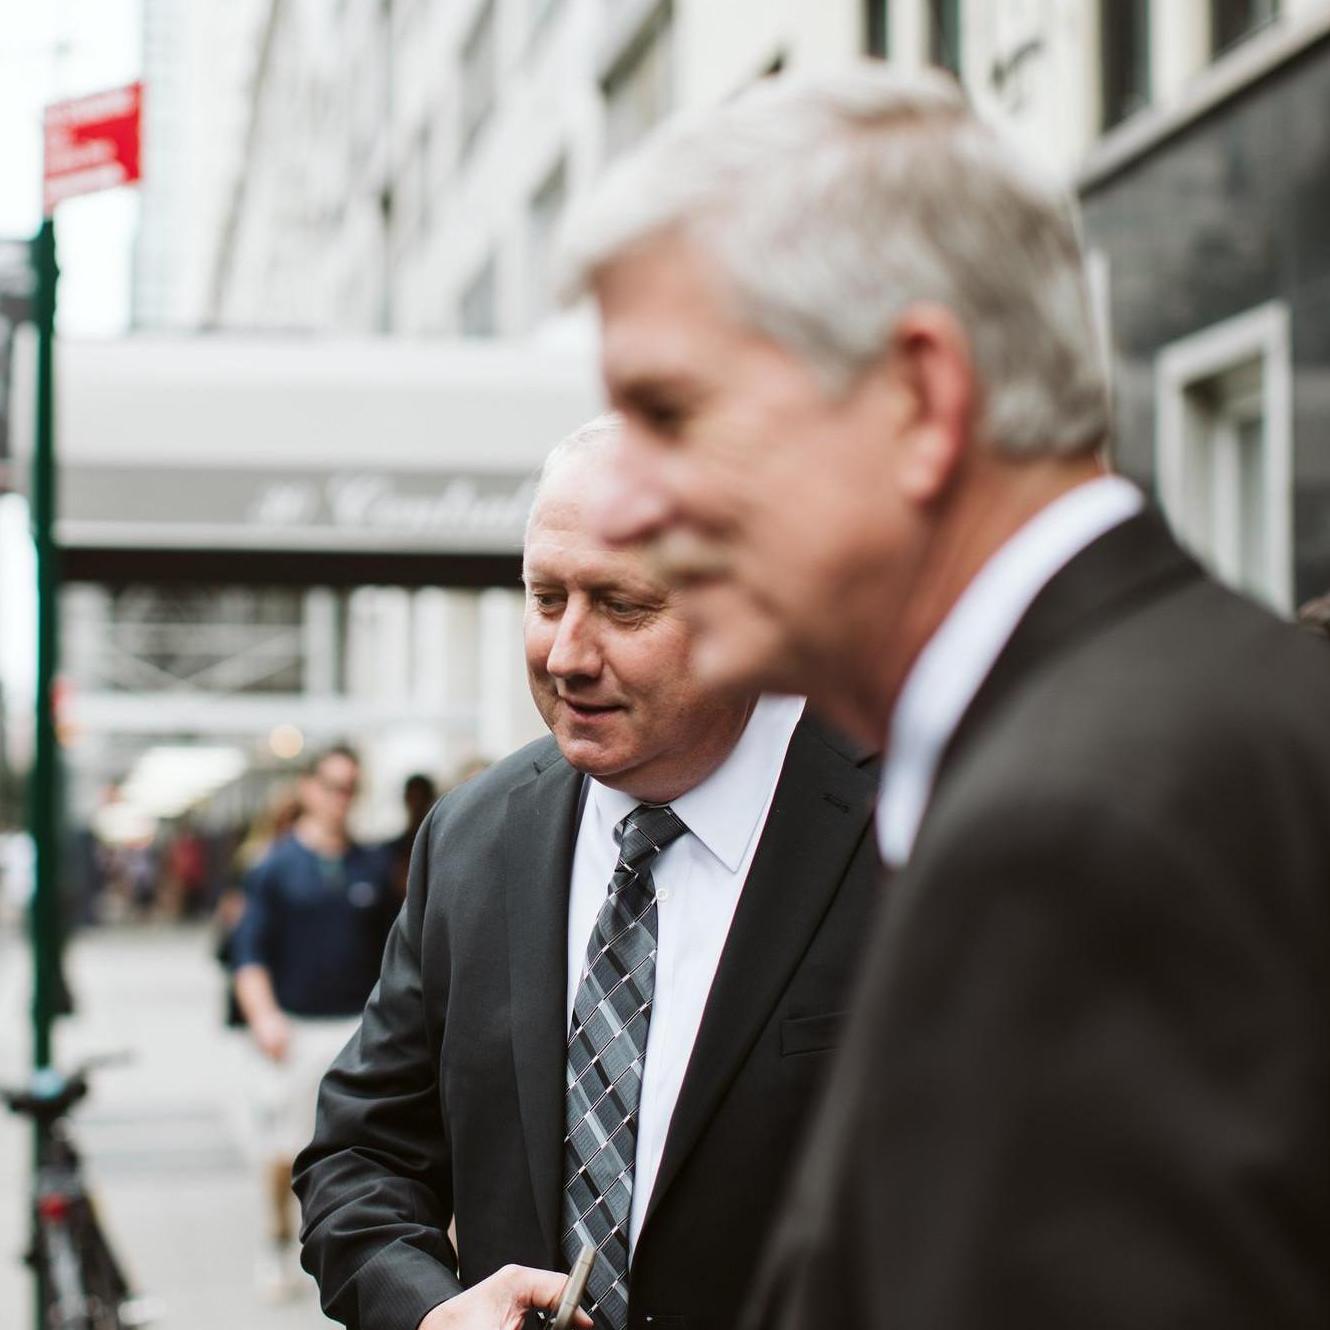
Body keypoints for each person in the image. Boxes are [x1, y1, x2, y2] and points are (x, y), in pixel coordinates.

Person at [559, 64, 1330, 1330]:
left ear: (920, 394)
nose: (631, 504)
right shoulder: (1214, 716)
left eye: (670, 413)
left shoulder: (1072, 834)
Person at [293, 417, 881, 1330]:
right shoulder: (474, 838)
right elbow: (359, 1157)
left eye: (621, 605)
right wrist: (425, 1311)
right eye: (544, 598)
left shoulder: (915, 830)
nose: (566, 653)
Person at [232, 746, 397, 1298]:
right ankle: (276, 1242)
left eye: (350, 787)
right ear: (307, 787)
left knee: (361, 1149)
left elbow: (398, 955)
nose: (339, 798)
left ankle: (349, 1244)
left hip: (359, 1027)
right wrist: (265, 1018)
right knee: (286, 1151)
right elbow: (248, 951)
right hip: (296, 1030)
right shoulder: (275, 868)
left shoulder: (370, 866)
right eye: (331, 785)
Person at [387, 772, 438, 900]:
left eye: (421, 798)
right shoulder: (390, 852)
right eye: (413, 798)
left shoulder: (439, 848)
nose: (417, 804)